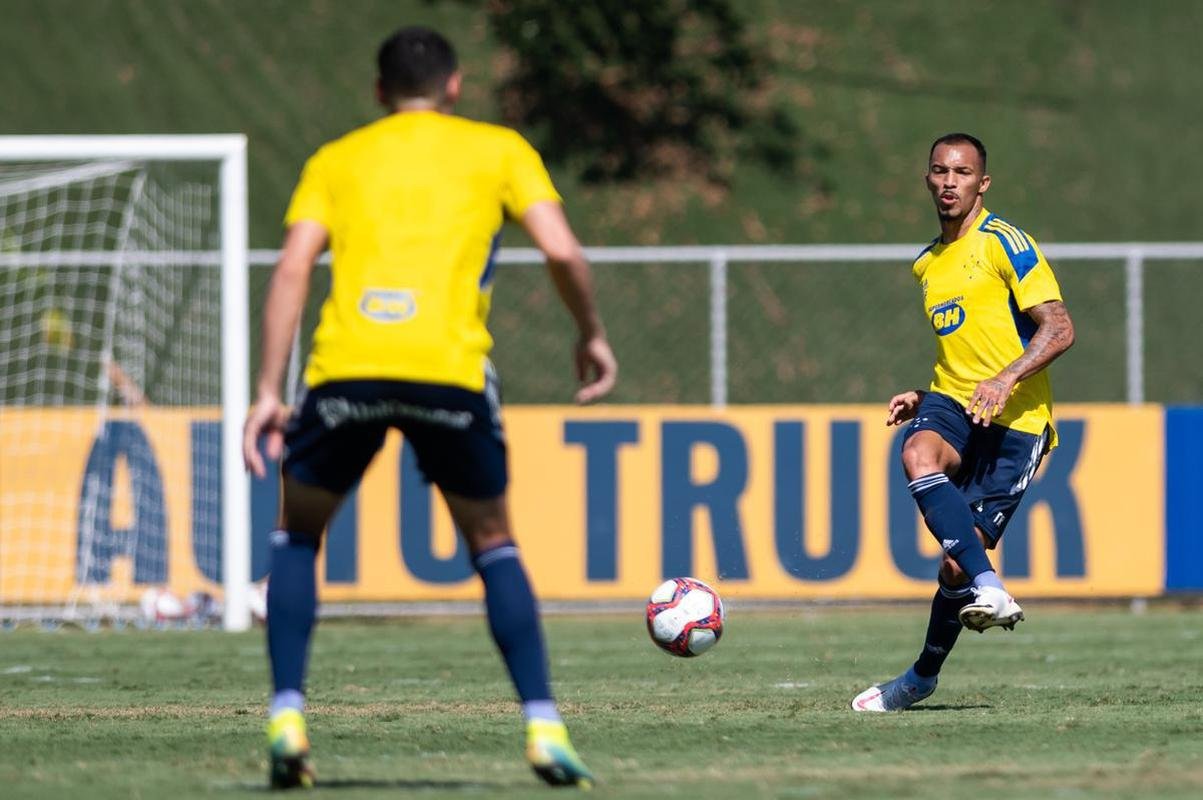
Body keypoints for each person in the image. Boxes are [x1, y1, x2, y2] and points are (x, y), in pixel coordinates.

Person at [242, 26, 616, 788]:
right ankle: (543, 727)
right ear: (454, 86)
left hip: (345, 372)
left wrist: (265, 392)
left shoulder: (336, 159)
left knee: (297, 537)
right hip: (448, 374)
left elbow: (290, 268)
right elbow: (562, 251)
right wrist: (591, 334)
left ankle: (286, 715)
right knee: (492, 544)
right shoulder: (499, 150)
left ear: (379, 92)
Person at [851, 132, 1075, 712]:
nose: (950, 182)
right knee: (915, 452)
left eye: (963, 173)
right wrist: (925, 393)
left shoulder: (1005, 243)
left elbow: (1059, 328)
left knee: (956, 562)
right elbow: (966, 352)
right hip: (955, 400)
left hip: (1017, 421)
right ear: (927, 179)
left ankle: (923, 676)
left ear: (983, 183)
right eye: (940, 171)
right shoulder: (928, 263)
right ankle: (993, 588)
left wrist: (1006, 379)